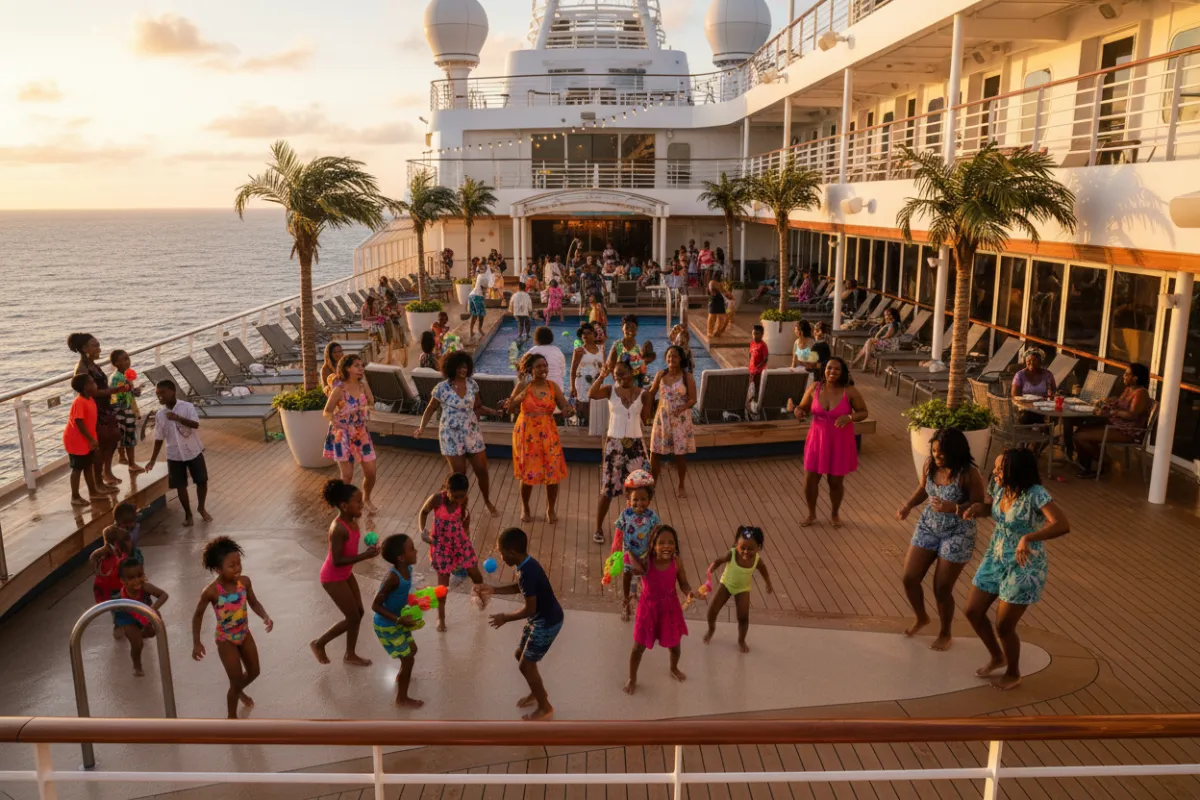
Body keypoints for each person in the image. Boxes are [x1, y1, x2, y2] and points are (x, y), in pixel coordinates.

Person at [963, 449, 1071, 690]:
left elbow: (1062, 524)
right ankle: (997, 656)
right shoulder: (999, 487)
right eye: (996, 467)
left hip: (1024, 565)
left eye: (1001, 468)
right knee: (972, 610)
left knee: (1004, 625)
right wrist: (976, 509)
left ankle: (1013, 672)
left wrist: (1029, 537)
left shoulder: (1036, 494)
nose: (995, 472)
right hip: (996, 557)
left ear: (1016, 470)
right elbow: (991, 510)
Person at [896, 428, 986, 651]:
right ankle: (922, 617)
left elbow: (980, 507)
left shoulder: (968, 474)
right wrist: (908, 505)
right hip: (929, 525)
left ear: (955, 451)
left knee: (941, 587)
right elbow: (924, 489)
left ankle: (945, 632)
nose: (937, 455)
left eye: (942, 452)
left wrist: (954, 507)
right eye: (934, 450)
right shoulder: (929, 465)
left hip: (958, 532)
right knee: (909, 577)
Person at [482, 527, 564, 721]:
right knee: (521, 656)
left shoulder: (528, 571)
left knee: (526, 666)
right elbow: (520, 587)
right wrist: (494, 590)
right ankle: (538, 693)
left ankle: (545, 707)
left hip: (546, 622)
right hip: (540, 619)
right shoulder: (526, 565)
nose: (501, 559)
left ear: (511, 552)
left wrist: (505, 617)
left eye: (502, 554)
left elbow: (530, 609)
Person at [191, 536, 272, 719]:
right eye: (231, 565)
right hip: (225, 639)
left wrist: (265, 616)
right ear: (218, 569)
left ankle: (238, 690)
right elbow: (197, 616)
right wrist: (197, 642)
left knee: (255, 671)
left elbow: (253, 602)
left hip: (244, 633)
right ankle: (231, 718)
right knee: (235, 681)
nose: (237, 569)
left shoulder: (244, 582)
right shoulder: (211, 591)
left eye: (238, 563)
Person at [415, 351, 501, 515]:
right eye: (459, 366)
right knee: (459, 474)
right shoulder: (441, 388)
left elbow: (478, 407)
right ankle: (458, 506)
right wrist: (422, 427)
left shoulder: (472, 385)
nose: (463, 369)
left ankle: (487, 501)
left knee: (481, 470)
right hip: (450, 435)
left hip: (471, 432)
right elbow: (431, 408)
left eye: (465, 366)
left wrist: (495, 412)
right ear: (451, 367)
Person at [311, 479, 380, 667]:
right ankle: (319, 643)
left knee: (358, 612)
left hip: (345, 573)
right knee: (352, 617)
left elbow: (349, 549)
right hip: (332, 577)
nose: (361, 505)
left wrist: (369, 547)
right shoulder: (338, 527)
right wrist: (365, 556)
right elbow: (337, 560)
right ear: (344, 505)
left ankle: (350, 654)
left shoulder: (352, 521)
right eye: (358, 502)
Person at [793, 358, 868, 528]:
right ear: (824, 370)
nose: (832, 372)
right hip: (817, 440)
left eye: (836, 369)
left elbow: (863, 412)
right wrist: (798, 411)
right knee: (810, 481)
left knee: (835, 482)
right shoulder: (814, 388)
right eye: (829, 368)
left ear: (842, 373)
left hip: (839, 442)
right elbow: (803, 407)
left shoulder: (849, 391)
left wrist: (849, 417)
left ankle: (835, 513)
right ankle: (811, 514)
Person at [588, 360, 653, 545]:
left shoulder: (644, 394)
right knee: (608, 489)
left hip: (635, 445)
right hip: (614, 445)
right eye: (616, 375)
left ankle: (637, 526)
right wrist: (602, 375)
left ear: (632, 373)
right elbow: (592, 394)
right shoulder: (610, 390)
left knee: (637, 488)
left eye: (623, 374)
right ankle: (598, 527)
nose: (619, 378)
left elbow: (645, 418)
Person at [625, 524, 692, 694]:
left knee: (675, 645)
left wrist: (689, 592)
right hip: (648, 609)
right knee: (638, 647)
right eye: (661, 543)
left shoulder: (676, 562)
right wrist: (630, 566)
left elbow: (683, 582)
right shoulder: (647, 561)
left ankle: (673, 668)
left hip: (670, 609)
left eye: (671, 542)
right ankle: (632, 678)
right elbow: (632, 567)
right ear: (653, 545)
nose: (666, 546)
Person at [417, 473, 487, 632]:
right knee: (443, 586)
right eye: (456, 496)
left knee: (476, 574)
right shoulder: (436, 499)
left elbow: (464, 523)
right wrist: (423, 531)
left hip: (459, 542)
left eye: (463, 496)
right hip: (441, 545)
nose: (459, 500)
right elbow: (423, 512)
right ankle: (440, 618)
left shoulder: (464, 501)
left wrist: (467, 541)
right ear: (446, 490)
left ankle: (478, 594)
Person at [506, 352, 570, 523]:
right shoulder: (523, 386)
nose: (543, 369)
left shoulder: (552, 387)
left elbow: (564, 405)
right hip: (527, 434)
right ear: (530, 369)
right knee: (528, 473)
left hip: (548, 432)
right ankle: (525, 506)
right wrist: (513, 401)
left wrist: (568, 410)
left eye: (545, 365)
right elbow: (510, 408)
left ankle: (551, 509)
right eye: (539, 366)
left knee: (552, 472)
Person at [146, 379, 210, 526]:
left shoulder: (187, 407)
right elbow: (159, 438)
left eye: (163, 392)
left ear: (173, 391)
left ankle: (201, 507)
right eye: (157, 394)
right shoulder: (160, 414)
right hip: (174, 455)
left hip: (193, 450)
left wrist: (178, 418)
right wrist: (152, 460)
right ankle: (188, 514)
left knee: (202, 481)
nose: (160, 396)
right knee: (180, 485)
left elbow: (196, 424)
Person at [1072, 363, 1152, 478]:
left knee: (1080, 437)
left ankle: (1105, 462)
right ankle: (1087, 464)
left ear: (1135, 378)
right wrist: (1108, 402)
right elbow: (1119, 403)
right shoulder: (1129, 389)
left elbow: (1132, 415)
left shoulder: (1141, 393)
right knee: (1081, 430)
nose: (1123, 376)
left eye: (1126, 374)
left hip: (1127, 431)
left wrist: (1114, 412)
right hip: (1115, 424)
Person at [371, 534, 424, 707]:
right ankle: (401, 698)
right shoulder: (393, 578)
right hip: (387, 625)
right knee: (408, 659)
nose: (416, 551)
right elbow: (375, 605)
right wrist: (399, 619)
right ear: (401, 557)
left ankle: (402, 675)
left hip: (398, 621)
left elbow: (403, 594)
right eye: (412, 548)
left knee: (412, 650)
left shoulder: (407, 569)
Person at [703, 526, 773, 652]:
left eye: (751, 549)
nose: (746, 552)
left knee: (743, 617)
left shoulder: (757, 561)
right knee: (712, 610)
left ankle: (741, 640)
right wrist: (712, 568)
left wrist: (768, 583)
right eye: (743, 548)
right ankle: (711, 628)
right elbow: (720, 560)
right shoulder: (732, 553)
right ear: (736, 545)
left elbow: (764, 570)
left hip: (743, 589)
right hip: (726, 585)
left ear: (758, 548)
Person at [322, 354, 378, 513]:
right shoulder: (339, 390)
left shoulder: (363, 386)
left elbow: (372, 402)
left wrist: (367, 410)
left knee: (371, 472)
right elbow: (327, 412)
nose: (361, 369)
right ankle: (344, 507)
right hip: (343, 435)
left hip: (361, 434)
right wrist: (335, 422)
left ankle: (366, 498)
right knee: (346, 477)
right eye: (357, 366)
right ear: (347, 368)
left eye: (362, 365)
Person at [69, 332, 123, 490]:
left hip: (105, 408)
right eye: (95, 346)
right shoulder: (82, 368)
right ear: (85, 348)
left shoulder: (93, 364)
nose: (99, 349)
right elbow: (90, 392)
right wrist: (115, 390)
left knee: (112, 439)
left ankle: (107, 472)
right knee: (99, 446)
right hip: (94, 411)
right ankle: (98, 482)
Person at [609, 469, 660, 620]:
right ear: (629, 500)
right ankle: (626, 600)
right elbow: (618, 534)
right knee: (627, 575)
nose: (639, 503)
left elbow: (657, 534)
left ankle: (645, 604)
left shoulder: (652, 517)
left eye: (643, 499)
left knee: (646, 580)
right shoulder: (625, 514)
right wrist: (614, 552)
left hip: (646, 554)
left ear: (649, 499)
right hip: (628, 554)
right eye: (635, 500)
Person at [648, 346, 696, 497]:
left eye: (674, 356)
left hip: (679, 421)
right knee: (655, 453)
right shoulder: (661, 375)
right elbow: (651, 394)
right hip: (662, 419)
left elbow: (693, 399)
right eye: (669, 356)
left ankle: (681, 484)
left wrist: (682, 408)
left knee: (679, 454)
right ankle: (652, 484)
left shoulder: (687, 377)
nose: (671, 359)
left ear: (680, 358)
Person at [111, 558, 168, 676]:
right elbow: (114, 608)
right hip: (127, 616)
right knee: (137, 643)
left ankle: (139, 632)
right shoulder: (120, 599)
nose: (137, 580)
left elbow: (164, 595)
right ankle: (137, 665)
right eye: (131, 578)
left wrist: (153, 608)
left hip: (144, 611)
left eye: (140, 575)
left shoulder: (146, 587)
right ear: (123, 580)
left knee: (152, 632)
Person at [64, 373, 104, 506]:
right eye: (92, 382)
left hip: (88, 439)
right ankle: (75, 496)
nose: (95, 384)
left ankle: (93, 491)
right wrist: (91, 439)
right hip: (77, 440)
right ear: (85, 387)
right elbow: (79, 422)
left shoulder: (90, 399)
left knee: (88, 465)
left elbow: (91, 421)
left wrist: (93, 439)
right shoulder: (79, 402)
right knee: (77, 468)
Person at [108, 350, 143, 475]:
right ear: (116, 363)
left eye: (128, 358)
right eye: (124, 359)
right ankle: (130, 463)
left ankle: (126, 459)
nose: (128, 361)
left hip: (125, 409)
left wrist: (134, 391)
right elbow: (118, 397)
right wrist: (132, 391)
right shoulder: (118, 378)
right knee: (128, 438)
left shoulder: (124, 375)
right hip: (122, 411)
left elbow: (127, 393)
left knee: (127, 438)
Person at [569, 324, 605, 426]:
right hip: (582, 383)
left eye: (588, 333)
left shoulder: (601, 349)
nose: (585, 335)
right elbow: (573, 370)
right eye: (583, 334)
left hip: (597, 382)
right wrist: (572, 387)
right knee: (584, 407)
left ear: (594, 335)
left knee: (596, 406)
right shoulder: (579, 351)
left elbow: (604, 367)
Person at [849, 307, 902, 371]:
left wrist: (878, 338)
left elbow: (888, 335)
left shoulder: (894, 324)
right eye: (885, 315)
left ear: (892, 315)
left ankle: (858, 364)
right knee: (867, 345)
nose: (885, 317)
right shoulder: (894, 323)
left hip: (890, 345)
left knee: (869, 341)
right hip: (889, 344)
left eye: (887, 315)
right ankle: (862, 365)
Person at [607, 315, 653, 388]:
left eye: (633, 327)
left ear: (637, 329)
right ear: (622, 328)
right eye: (627, 327)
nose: (630, 330)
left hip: (635, 385)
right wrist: (618, 381)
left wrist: (646, 362)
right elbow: (610, 366)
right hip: (620, 385)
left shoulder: (638, 348)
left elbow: (641, 370)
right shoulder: (617, 345)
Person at [526, 326, 568, 391]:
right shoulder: (557, 350)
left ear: (536, 338)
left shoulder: (532, 351)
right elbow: (562, 371)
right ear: (551, 337)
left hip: (540, 389)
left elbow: (522, 368)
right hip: (558, 387)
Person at [467, 265, 491, 343]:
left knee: (474, 314)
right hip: (478, 296)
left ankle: (471, 332)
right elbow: (483, 288)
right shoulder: (485, 277)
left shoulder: (480, 276)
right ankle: (479, 329)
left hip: (472, 295)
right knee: (481, 314)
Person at [748, 325, 769, 401]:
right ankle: (751, 398)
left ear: (762, 335)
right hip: (751, 369)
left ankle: (756, 400)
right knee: (751, 384)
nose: (754, 336)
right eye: (753, 334)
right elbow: (750, 353)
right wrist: (750, 364)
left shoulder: (763, 346)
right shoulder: (752, 343)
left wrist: (757, 368)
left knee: (756, 385)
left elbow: (765, 359)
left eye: (757, 334)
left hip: (758, 371)